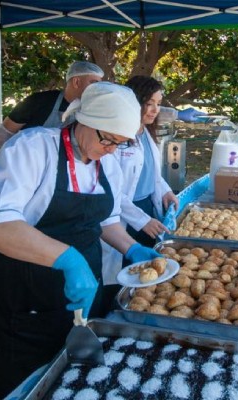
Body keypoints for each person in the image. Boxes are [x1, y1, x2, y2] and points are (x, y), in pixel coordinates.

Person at [0, 82, 161, 400]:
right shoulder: (32, 148)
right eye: (107, 139)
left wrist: (131, 248)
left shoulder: (107, 161)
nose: (111, 149)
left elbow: (105, 220)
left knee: (70, 381)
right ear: (85, 121)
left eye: (120, 143)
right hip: (23, 295)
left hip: (80, 293)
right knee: (11, 380)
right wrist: (68, 259)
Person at [99, 76, 180, 295]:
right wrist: (141, 220)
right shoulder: (117, 136)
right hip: (123, 213)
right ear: (135, 101)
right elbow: (111, 189)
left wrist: (166, 190)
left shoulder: (146, 132)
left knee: (146, 273)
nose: (155, 110)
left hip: (147, 209)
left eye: (158, 103)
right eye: (149, 103)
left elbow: (151, 172)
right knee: (125, 272)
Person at [0, 61, 105, 193]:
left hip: (62, 176)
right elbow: (4, 134)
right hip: (24, 171)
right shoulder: (38, 102)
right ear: (76, 82)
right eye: (93, 83)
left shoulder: (90, 111)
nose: (97, 89)